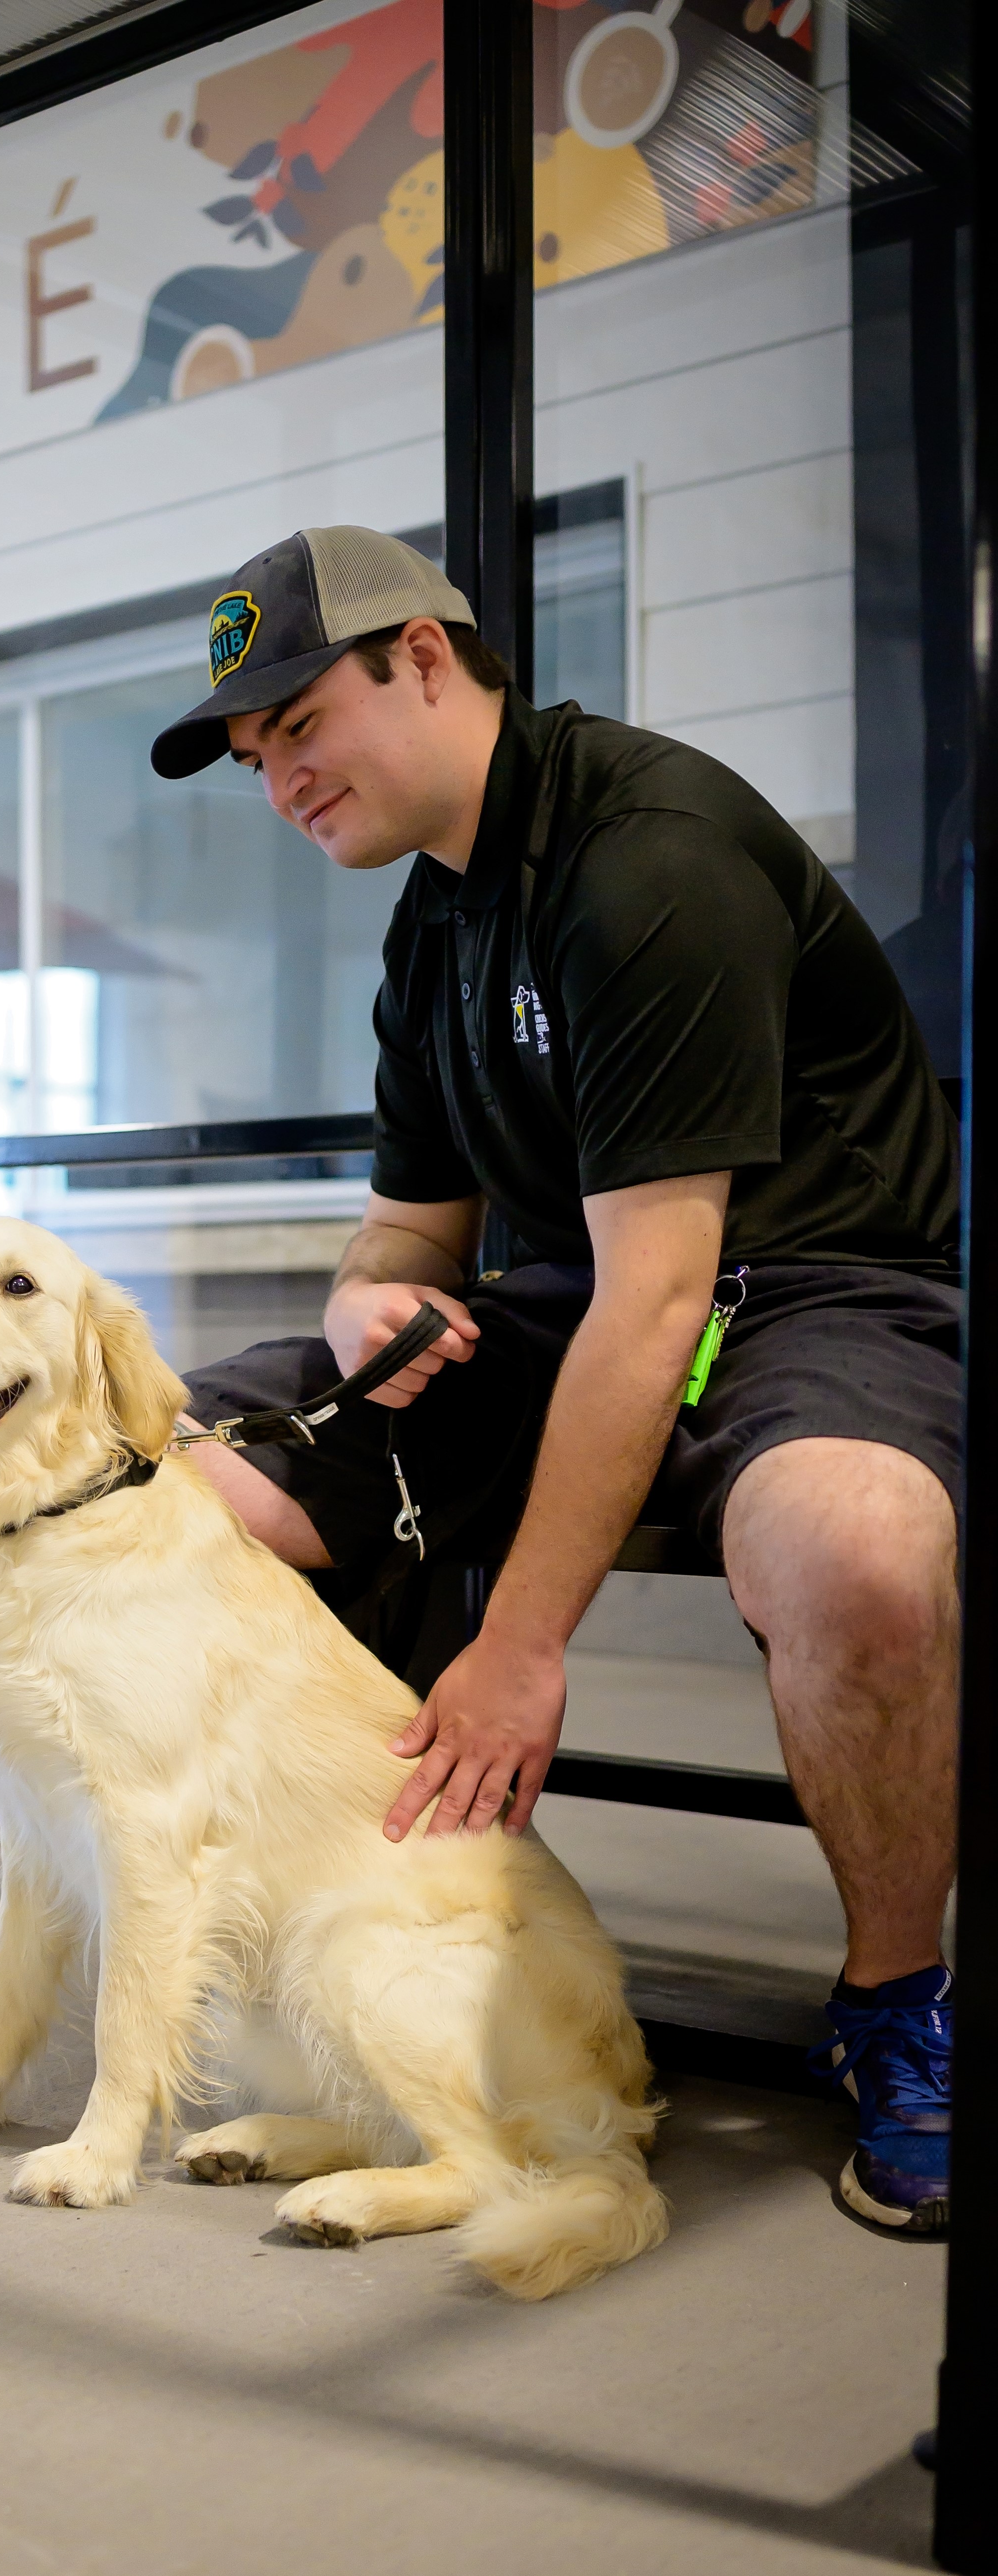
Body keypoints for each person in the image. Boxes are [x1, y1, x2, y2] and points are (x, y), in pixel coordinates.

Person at [152, 526, 960, 2238]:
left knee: (855, 1549)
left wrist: (519, 1651)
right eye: (250, 756)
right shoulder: (431, 930)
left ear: (424, 659)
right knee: (171, 1478)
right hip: (567, 1304)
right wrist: (374, 1310)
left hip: (807, 1293)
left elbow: (664, 1304)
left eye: (297, 722)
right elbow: (401, 1243)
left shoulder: (641, 853)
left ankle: (900, 2016)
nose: (278, 776)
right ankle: (392, 1935)